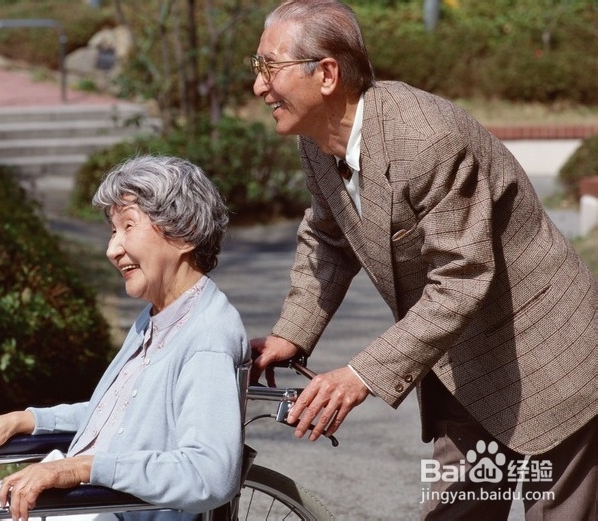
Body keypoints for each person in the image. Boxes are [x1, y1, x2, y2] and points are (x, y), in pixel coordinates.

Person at [248, 1, 596, 519]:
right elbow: (328, 236)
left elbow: (461, 279)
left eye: (269, 69)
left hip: (548, 359)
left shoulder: (427, 138)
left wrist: (361, 375)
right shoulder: (317, 139)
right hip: (460, 366)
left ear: (326, 75)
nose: (259, 88)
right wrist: (292, 333)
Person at [0, 155, 251, 520]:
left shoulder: (206, 335)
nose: (112, 249)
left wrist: (79, 468)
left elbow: (209, 474)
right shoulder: (160, 316)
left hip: (113, 509)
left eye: (128, 227)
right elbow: (125, 419)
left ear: (183, 232)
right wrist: (23, 420)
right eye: (113, 231)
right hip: (92, 503)